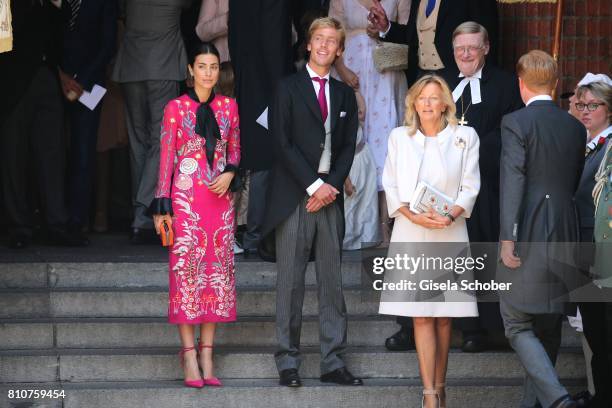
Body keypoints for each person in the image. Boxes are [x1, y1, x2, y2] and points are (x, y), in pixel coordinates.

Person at [260, 17, 362, 388]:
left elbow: (349, 145)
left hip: (330, 200)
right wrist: (314, 185)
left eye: (331, 41)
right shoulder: (287, 88)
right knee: (290, 283)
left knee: (332, 282)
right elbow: (281, 143)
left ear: (339, 50)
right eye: (318, 39)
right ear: (308, 44)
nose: (324, 46)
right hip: (295, 198)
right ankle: (288, 360)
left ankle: (333, 362)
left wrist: (331, 186)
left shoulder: (346, 94)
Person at [379, 74, 480, 408]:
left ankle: (441, 384)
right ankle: (429, 395)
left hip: (449, 231)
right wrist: (411, 215)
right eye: (422, 98)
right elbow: (390, 184)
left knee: (445, 315)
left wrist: (450, 215)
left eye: (434, 98)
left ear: (445, 103)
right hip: (412, 231)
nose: (427, 104)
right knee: (421, 315)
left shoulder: (464, 137)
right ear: (413, 102)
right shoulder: (399, 137)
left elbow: (470, 185)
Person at [498, 50, 585, 408]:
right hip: (567, 230)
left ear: (521, 84)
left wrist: (507, 237)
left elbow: (513, 181)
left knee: (515, 322)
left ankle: (559, 401)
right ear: (556, 84)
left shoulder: (515, 122)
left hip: (528, 230)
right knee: (548, 323)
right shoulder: (575, 126)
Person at [150, 42, 240, 388]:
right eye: (201, 66)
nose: (207, 73)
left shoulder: (230, 107)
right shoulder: (175, 108)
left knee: (215, 275)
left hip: (219, 201)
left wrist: (231, 172)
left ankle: (207, 353)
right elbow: (166, 160)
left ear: (219, 71)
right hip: (185, 202)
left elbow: (236, 148)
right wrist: (162, 206)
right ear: (190, 70)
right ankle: (188, 354)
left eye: (213, 67)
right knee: (186, 276)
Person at [437, 21, 523, 352]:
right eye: (460, 48)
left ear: (486, 47)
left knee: (478, 255)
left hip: (483, 187)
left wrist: (469, 150)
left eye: (473, 47)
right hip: (442, 186)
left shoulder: (504, 84)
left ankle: (479, 328)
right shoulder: (439, 82)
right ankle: (422, 322)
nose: (466, 54)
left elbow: (509, 132)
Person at [0, 0, 86, 249]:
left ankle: (56, 222)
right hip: (12, 82)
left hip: (47, 76)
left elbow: (63, 26)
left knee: (52, 153)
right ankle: (19, 225)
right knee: (13, 156)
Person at [329, 0, 410, 244]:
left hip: (386, 72)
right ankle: (353, 224)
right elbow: (332, 31)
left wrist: (385, 30)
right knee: (352, 144)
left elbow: (408, 33)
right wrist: (341, 69)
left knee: (385, 148)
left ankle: (385, 226)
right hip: (351, 69)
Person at [112, 0, 191, 244]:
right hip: (162, 66)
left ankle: (142, 217)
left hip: (132, 68)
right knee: (161, 140)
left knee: (138, 142)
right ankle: (142, 207)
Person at [228, 0, 295, 257]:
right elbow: (275, 47)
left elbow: (235, 42)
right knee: (267, 162)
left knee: (255, 161)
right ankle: (259, 233)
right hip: (269, 89)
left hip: (247, 82)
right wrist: (282, 94)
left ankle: (251, 232)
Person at [60, 0, 117, 234]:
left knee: (84, 151)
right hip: (54, 76)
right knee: (54, 149)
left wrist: (80, 80)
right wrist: (60, 75)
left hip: (89, 84)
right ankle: (53, 214)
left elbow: (107, 45)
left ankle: (77, 219)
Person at [572, 78, 612, 408]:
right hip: (583, 251)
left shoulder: (609, 147)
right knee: (595, 329)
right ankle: (600, 393)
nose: (585, 111)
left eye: (593, 106)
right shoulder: (585, 143)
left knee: (605, 330)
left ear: (608, 110)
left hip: (602, 251)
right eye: (580, 105)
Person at [367, 0, 498, 82]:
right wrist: (386, 27)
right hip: (420, 76)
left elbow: (486, 34)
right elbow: (413, 36)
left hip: (457, 76)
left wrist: (484, 79)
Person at [343, 91, 380, 249]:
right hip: (349, 164)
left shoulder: (358, 117)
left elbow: (362, 109)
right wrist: (346, 180)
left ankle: (368, 237)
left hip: (364, 159)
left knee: (367, 201)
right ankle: (348, 240)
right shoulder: (340, 125)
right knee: (350, 203)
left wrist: (355, 90)